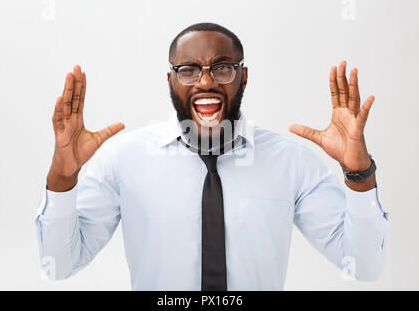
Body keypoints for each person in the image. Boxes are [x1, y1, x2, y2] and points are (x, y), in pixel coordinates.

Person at [35, 22, 388, 290]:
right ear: (171, 81)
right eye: (188, 70)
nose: (205, 82)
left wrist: (359, 173)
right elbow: (60, 266)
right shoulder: (124, 159)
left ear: (243, 77)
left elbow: (363, 266)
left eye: (222, 68)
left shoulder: (289, 162)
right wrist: (62, 178)